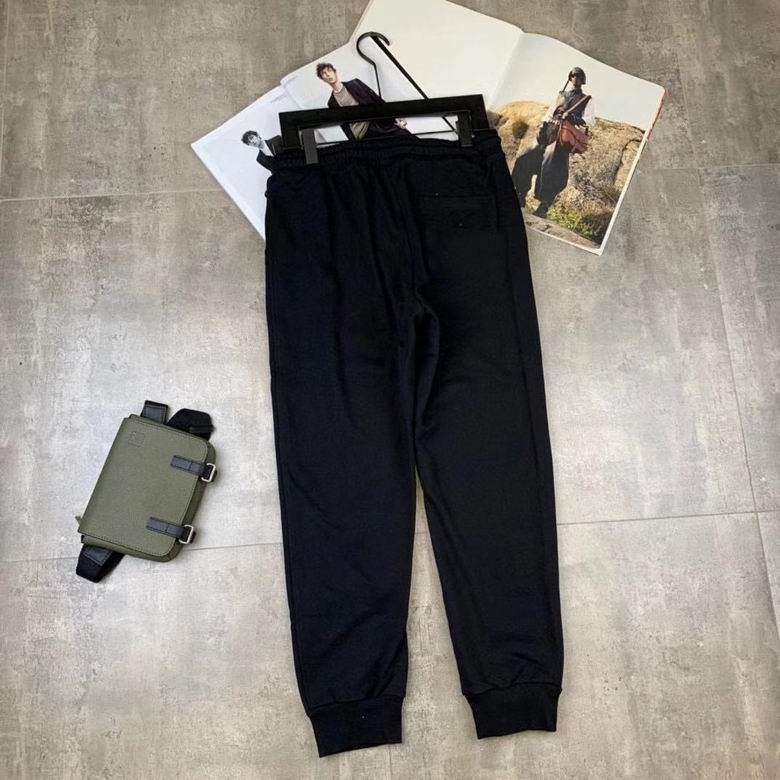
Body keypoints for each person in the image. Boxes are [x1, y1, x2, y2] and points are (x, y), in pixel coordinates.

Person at [511, 67, 595, 218]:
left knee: (552, 168)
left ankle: (544, 206)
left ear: (583, 80)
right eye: (573, 75)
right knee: (525, 158)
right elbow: (549, 113)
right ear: (570, 78)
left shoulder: (586, 99)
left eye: (578, 76)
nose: (575, 78)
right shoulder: (561, 95)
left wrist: (573, 118)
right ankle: (520, 195)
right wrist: (542, 125)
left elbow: (590, 121)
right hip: (548, 131)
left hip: (562, 137)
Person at [315, 62, 411, 141]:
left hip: (375, 122)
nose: (328, 74)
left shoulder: (355, 83)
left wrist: (395, 117)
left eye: (329, 71)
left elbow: (376, 99)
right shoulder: (332, 102)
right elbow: (345, 126)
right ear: (323, 79)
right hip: (362, 134)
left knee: (404, 135)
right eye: (324, 73)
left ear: (334, 72)